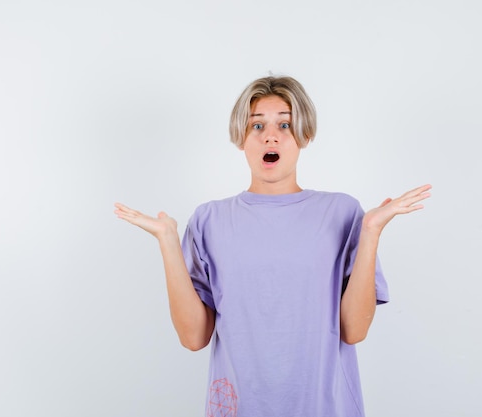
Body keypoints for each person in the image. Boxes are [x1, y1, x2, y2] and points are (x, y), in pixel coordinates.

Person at [114, 75, 431, 417]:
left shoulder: (342, 213)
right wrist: (168, 243)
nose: (270, 135)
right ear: (240, 138)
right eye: (256, 126)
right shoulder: (210, 220)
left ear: (305, 135)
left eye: (285, 124)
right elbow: (193, 338)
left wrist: (370, 232)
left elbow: (354, 330)